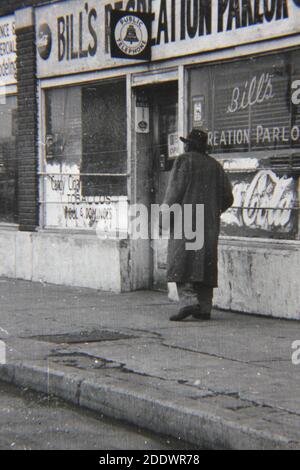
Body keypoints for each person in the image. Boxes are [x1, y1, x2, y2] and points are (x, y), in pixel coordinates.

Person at [163, 128, 234, 321]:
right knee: (205, 263)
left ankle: (188, 302)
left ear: (189, 145)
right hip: (209, 224)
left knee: (181, 261)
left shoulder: (184, 161)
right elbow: (228, 197)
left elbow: (174, 194)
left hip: (186, 220)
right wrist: (213, 211)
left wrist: (165, 216)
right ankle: (204, 308)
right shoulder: (215, 166)